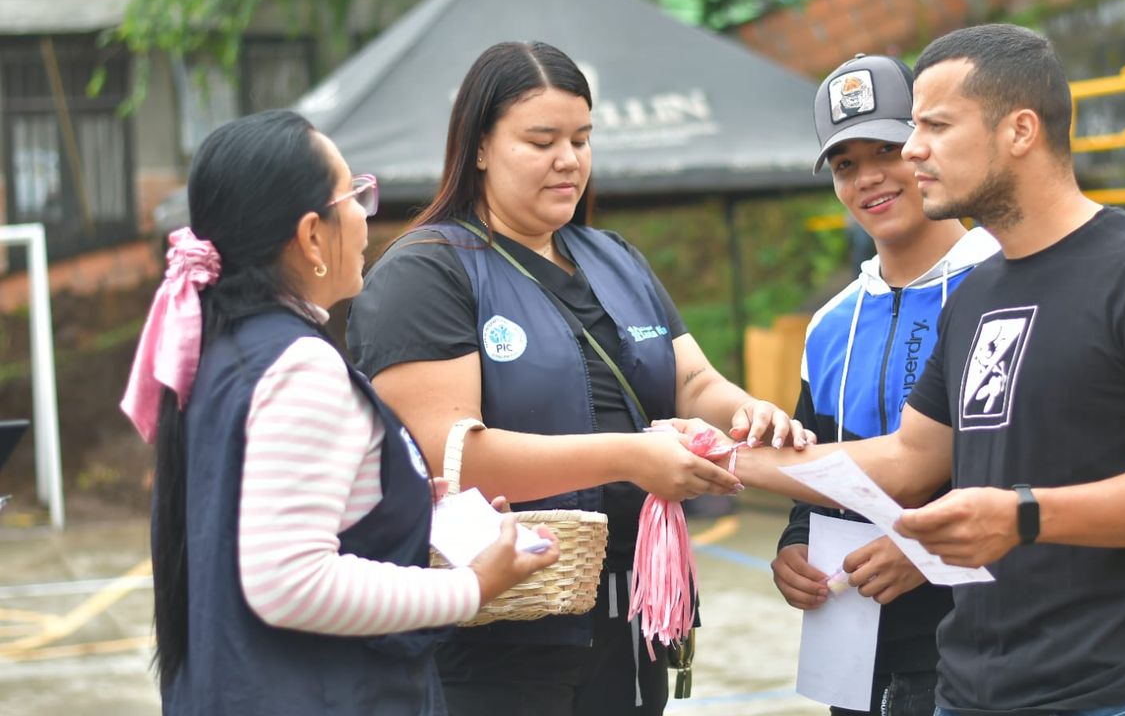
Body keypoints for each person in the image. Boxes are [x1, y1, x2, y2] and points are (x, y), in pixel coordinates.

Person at [693, 24, 1125, 716]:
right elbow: (904, 461)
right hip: (970, 686)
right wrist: (714, 457)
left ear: (1019, 131)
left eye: (929, 128)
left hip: (1110, 691)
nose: (911, 152)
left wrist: (1023, 516)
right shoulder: (977, 295)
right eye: (847, 161)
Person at [345, 41, 806, 716]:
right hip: (498, 638)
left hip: (633, 617)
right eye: (541, 140)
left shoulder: (613, 256)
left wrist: (749, 413)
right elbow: (455, 460)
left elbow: (692, 381)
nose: (569, 160)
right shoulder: (426, 273)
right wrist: (632, 457)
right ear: (478, 147)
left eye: (582, 139)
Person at [120, 110, 560, 716]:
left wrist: (399, 506)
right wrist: (473, 585)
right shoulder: (300, 367)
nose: (364, 214)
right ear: (310, 236)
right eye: (354, 195)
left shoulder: (221, 350)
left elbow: (251, 518)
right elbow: (288, 583)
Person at [773, 54, 998, 716]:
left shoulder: (1002, 285)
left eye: (888, 149)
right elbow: (815, 462)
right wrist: (794, 544)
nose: (869, 176)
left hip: (974, 650)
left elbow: (1033, 466)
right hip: (855, 650)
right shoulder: (829, 323)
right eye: (845, 164)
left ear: (926, 145)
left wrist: (922, 552)